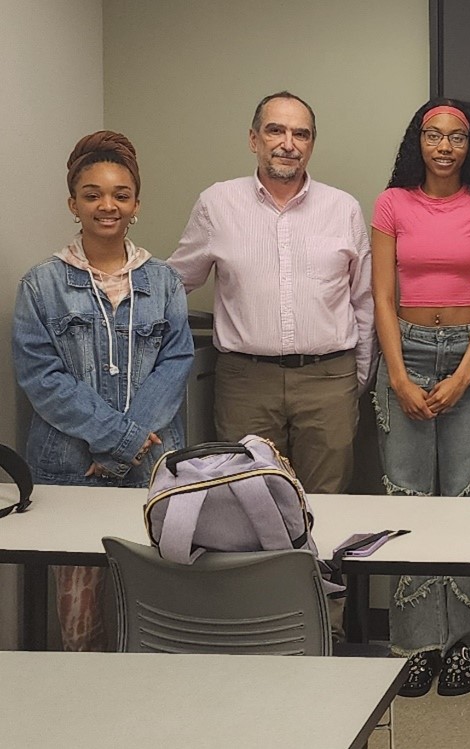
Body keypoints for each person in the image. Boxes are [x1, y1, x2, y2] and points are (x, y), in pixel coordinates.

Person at [13, 131, 194, 651]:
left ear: (136, 203)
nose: (106, 205)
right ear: (73, 203)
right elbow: (42, 378)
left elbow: (176, 362)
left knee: (154, 606)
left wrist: (122, 444)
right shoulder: (40, 285)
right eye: (91, 194)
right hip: (69, 469)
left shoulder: (163, 282)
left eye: (119, 194)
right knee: (80, 616)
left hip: (151, 467)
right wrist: (117, 438)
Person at [368, 99, 470, 697]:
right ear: (418, 142)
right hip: (404, 350)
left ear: (469, 145)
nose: (445, 146)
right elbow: (380, 297)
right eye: (434, 135)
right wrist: (399, 377)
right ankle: (416, 643)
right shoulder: (391, 202)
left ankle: (460, 646)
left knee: (465, 503)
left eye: (456, 137)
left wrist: (463, 374)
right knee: (408, 504)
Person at [168, 91, 372, 494]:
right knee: (246, 500)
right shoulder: (217, 204)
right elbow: (173, 283)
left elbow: (363, 301)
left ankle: (318, 563)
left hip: (328, 380)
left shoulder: (343, 208)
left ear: (311, 143)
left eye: (301, 134)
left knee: (326, 503)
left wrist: (354, 379)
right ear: (254, 139)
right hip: (245, 383)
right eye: (275, 130)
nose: (288, 144)